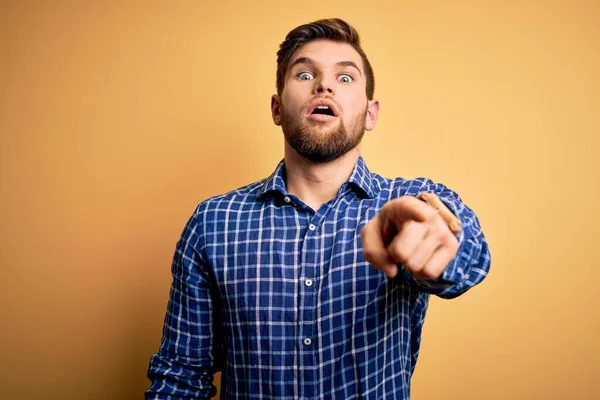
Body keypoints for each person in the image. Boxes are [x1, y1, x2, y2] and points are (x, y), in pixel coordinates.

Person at [146, 18, 491, 400]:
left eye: (345, 78)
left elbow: (471, 259)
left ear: (371, 113)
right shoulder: (213, 223)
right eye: (305, 74)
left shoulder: (411, 203)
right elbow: (180, 377)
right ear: (277, 108)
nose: (324, 85)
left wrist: (439, 243)